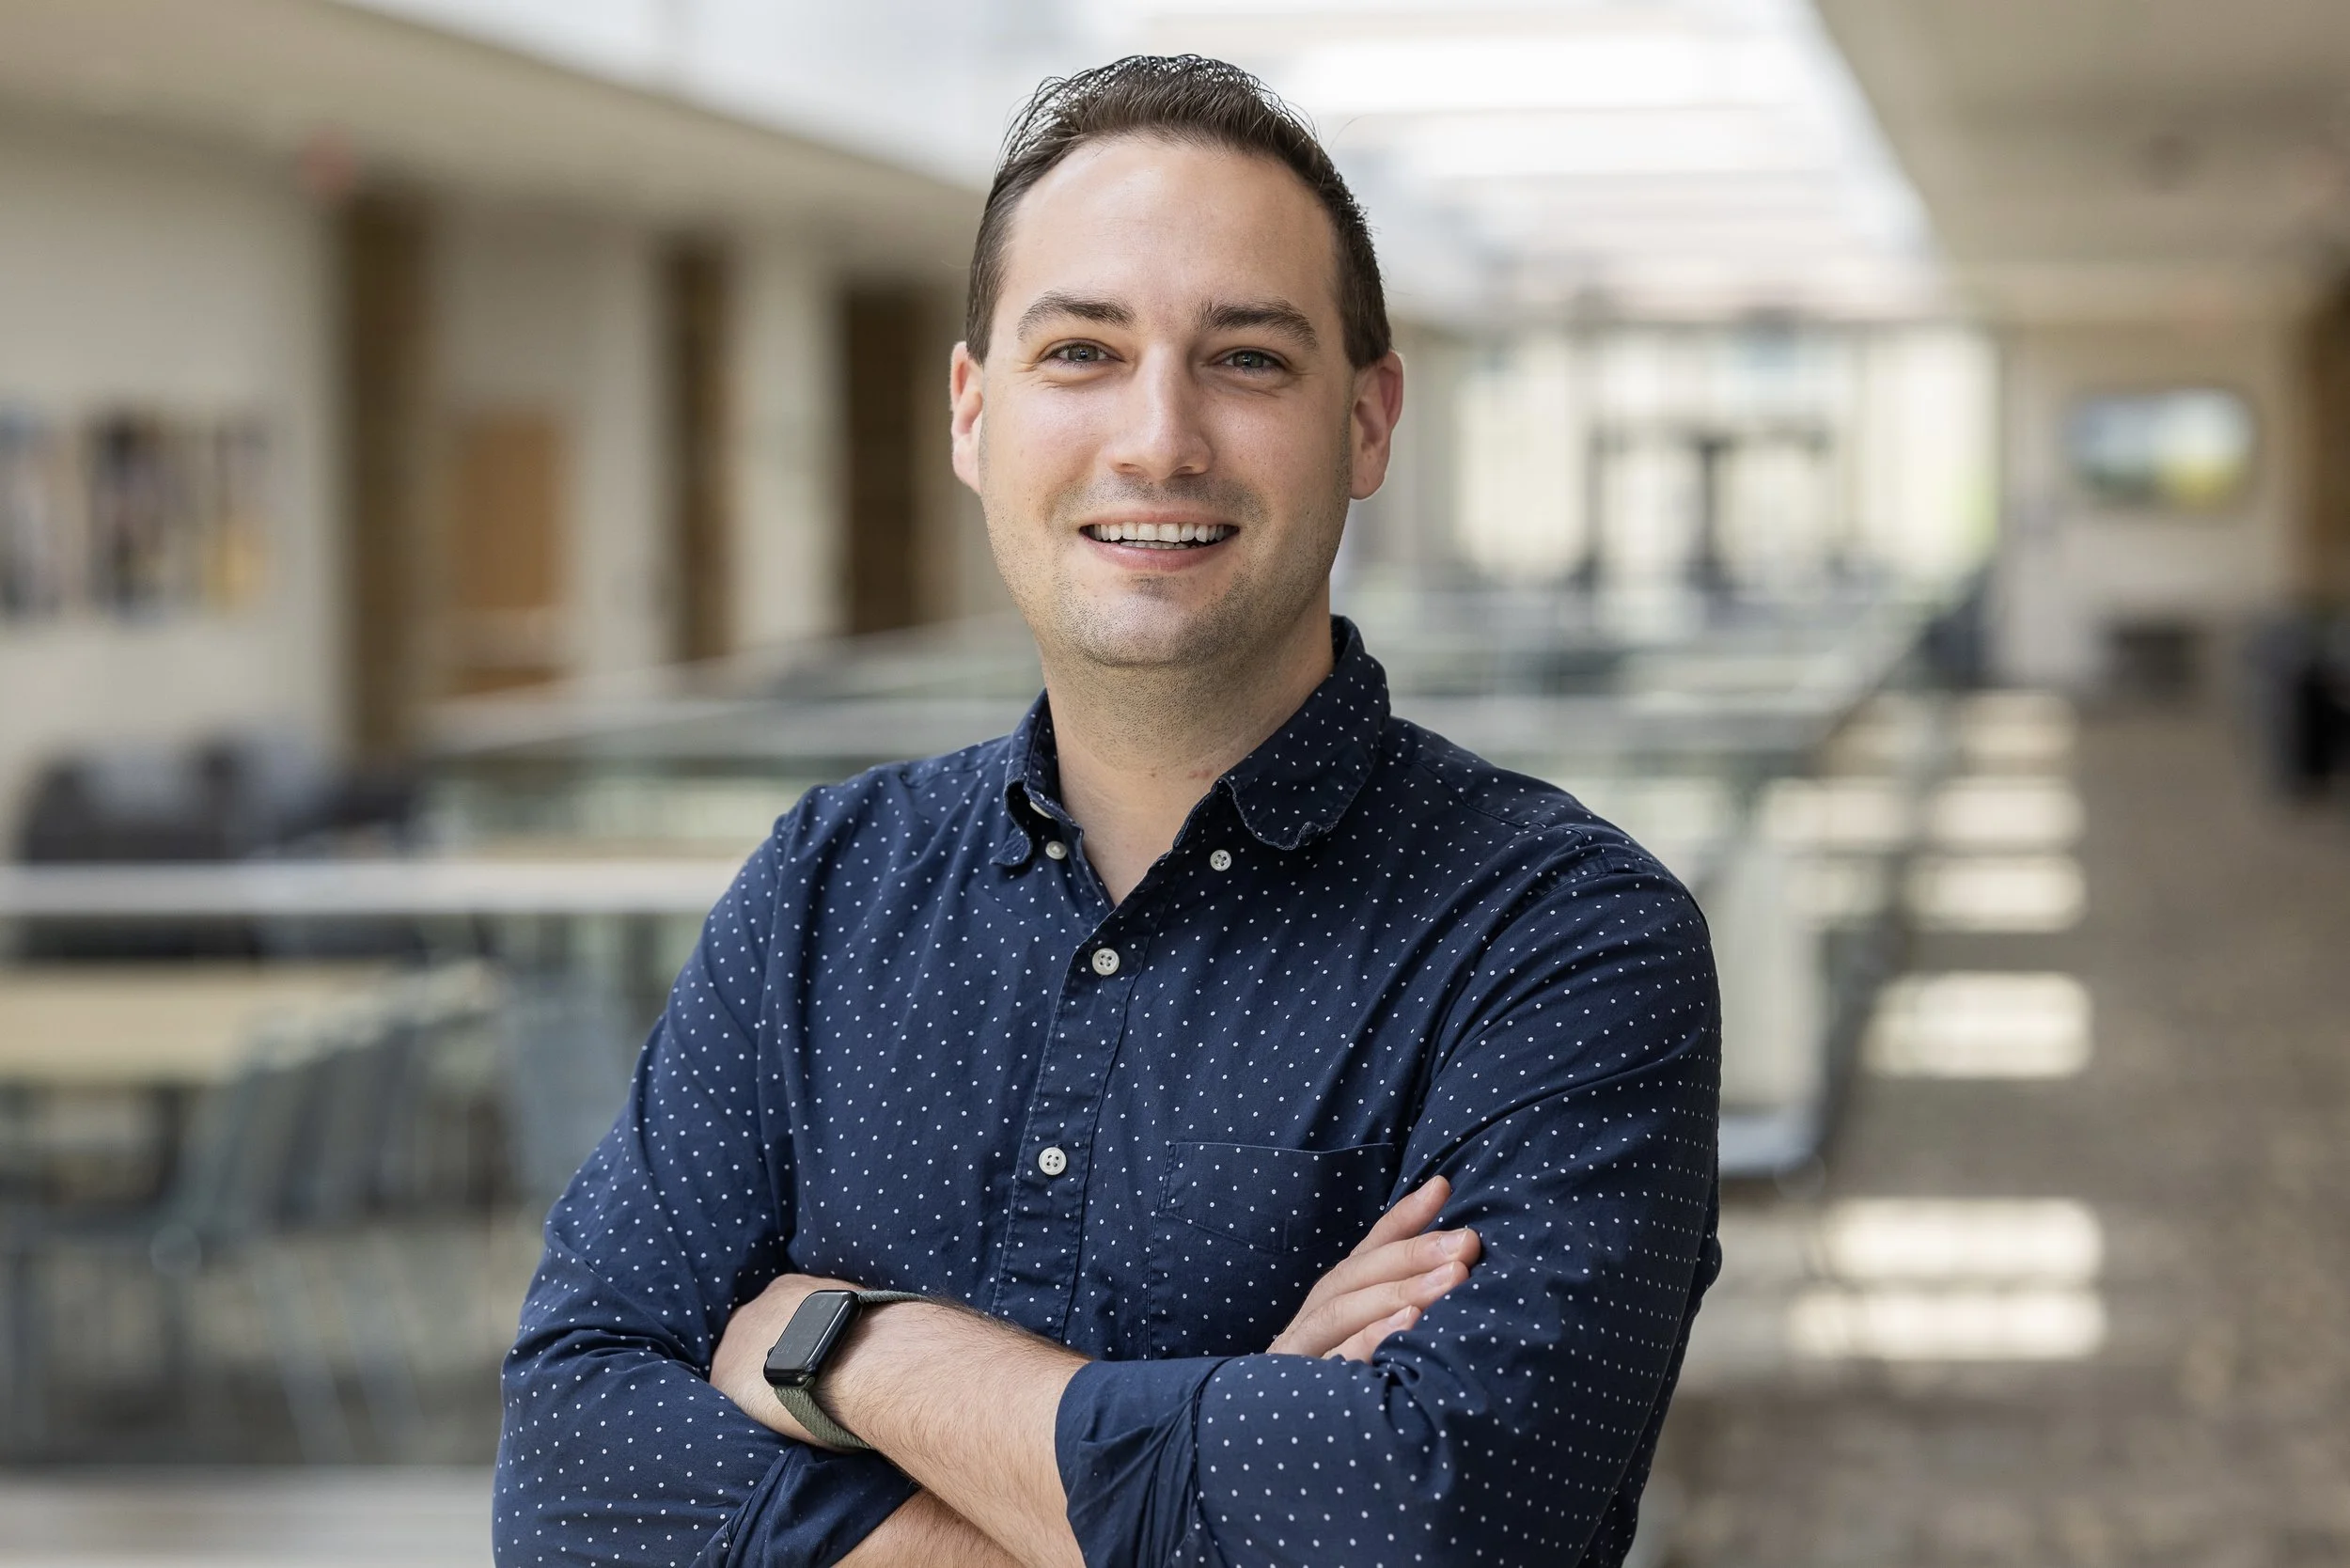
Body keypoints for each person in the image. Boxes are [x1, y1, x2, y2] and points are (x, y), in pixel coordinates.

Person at [494, 55, 1720, 1568]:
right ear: (972, 412)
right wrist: (1222, 1451)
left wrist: (851, 1355)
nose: (1158, 439)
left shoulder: (1565, 941)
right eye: (1081, 351)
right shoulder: (823, 886)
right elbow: (568, 1473)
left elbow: (1431, 1522)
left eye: (1250, 360)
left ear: (1368, 422)